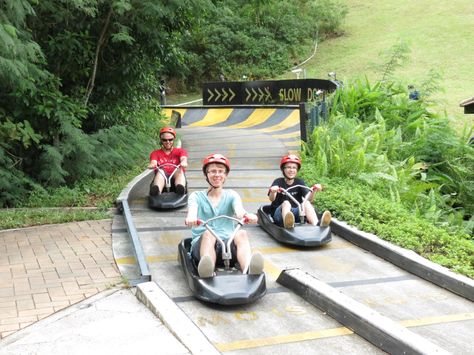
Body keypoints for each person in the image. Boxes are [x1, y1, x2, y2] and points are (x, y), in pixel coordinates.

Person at [185, 153, 263, 278]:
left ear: (225, 175)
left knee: (241, 233)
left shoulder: (232, 195)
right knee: (208, 234)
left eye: (221, 171)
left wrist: (247, 215)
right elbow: (192, 211)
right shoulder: (196, 196)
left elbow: (239, 211)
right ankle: (207, 270)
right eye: (213, 171)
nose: (217, 175)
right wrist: (191, 218)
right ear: (206, 174)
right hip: (203, 245)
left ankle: (248, 268)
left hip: (228, 245)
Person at [268, 154, 331, 229]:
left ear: (297, 170)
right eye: (288, 167)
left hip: (296, 214)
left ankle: (317, 224)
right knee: (286, 203)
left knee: (306, 203)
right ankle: (288, 225)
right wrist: (273, 191)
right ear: (283, 169)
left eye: (294, 168)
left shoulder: (300, 182)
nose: (291, 170)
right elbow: (272, 199)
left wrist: (314, 190)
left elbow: (309, 199)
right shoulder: (278, 181)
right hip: (279, 215)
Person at [148, 127, 188, 195]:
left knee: (179, 170)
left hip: (175, 175)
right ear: (161, 140)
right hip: (162, 177)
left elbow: (183, 158)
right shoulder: (155, 153)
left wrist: (183, 162)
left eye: (170, 140)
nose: (168, 142)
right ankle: (157, 191)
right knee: (161, 172)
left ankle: (180, 188)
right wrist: (152, 164)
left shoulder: (180, 151)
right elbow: (153, 161)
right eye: (164, 140)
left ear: (174, 139)